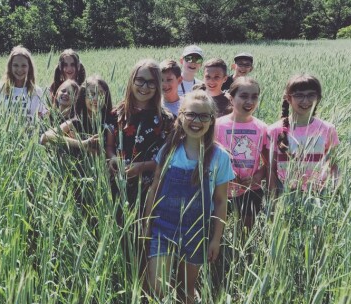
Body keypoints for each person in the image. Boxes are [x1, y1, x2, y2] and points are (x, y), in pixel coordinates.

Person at [144, 90, 234, 304]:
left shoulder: (219, 157)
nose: (197, 121)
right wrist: (147, 223)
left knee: (186, 290)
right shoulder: (169, 151)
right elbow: (154, 187)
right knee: (156, 287)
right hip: (163, 228)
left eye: (204, 116)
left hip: (197, 232)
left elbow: (221, 201)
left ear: (212, 120)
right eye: (191, 114)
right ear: (181, 116)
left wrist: (216, 239)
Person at [106, 59, 174, 294]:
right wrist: (113, 157)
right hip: (117, 185)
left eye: (151, 83)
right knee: (120, 236)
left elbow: (165, 160)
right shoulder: (117, 112)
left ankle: (144, 288)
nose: (144, 87)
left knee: (143, 237)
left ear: (157, 87)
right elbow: (109, 145)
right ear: (132, 80)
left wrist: (140, 167)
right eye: (140, 80)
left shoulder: (164, 118)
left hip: (149, 189)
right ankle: (123, 283)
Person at [267, 74, 339, 193]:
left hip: (319, 194)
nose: (305, 101)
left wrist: (335, 191)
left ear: (319, 98)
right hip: (285, 194)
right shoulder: (274, 130)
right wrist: (273, 199)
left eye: (311, 95)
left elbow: (334, 165)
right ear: (288, 98)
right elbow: (271, 169)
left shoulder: (328, 129)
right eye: (299, 95)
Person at [215, 77, 268, 229]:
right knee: (220, 230)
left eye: (254, 96)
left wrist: (258, 176)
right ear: (231, 99)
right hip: (221, 189)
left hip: (251, 190)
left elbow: (268, 161)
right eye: (244, 96)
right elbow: (209, 155)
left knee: (245, 232)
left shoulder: (262, 127)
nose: (249, 101)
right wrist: (225, 173)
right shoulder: (218, 125)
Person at [41, 75, 112, 155]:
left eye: (100, 94)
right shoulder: (75, 123)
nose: (95, 98)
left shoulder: (108, 125)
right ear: (83, 97)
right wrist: (82, 143)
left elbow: (107, 153)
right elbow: (45, 137)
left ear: (106, 98)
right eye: (91, 94)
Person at [0, 45, 47, 122]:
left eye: (24, 65)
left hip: (30, 133)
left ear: (29, 67)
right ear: (10, 67)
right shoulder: (1, 88)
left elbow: (40, 115)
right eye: (15, 65)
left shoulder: (36, 91)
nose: (19, 69)